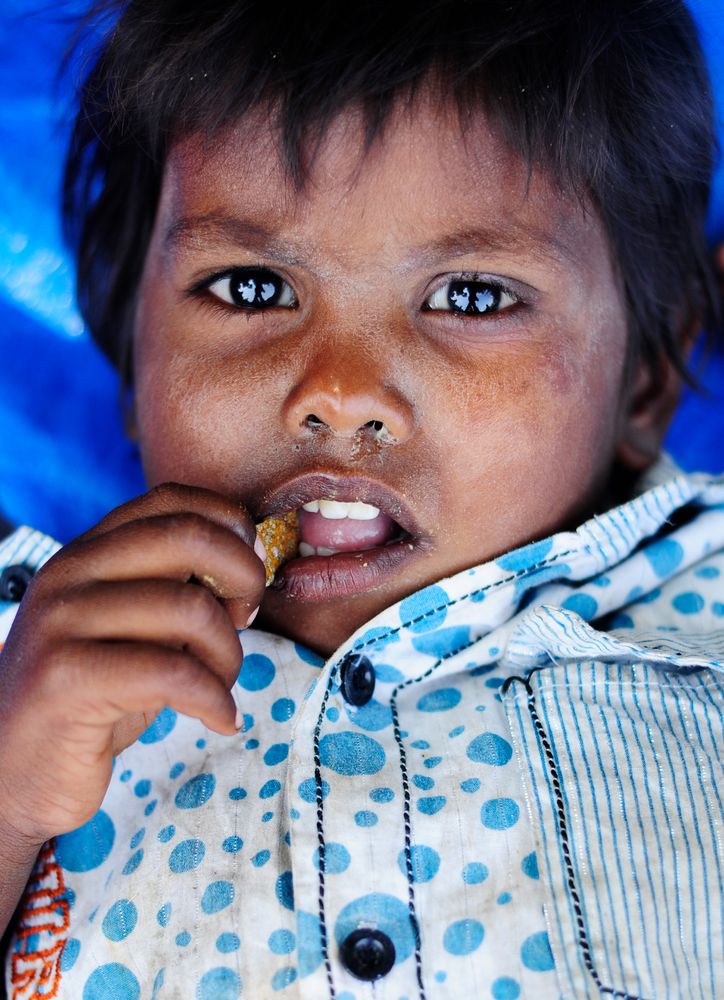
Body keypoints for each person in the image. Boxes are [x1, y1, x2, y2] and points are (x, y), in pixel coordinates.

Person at [0, 1, 722, 997]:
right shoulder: (30, 661)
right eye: (249, 287)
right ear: (133, 366)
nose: (337, 391)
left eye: (470, 295)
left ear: (644, 377)